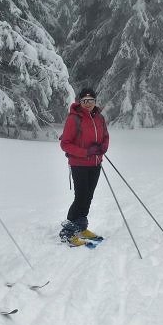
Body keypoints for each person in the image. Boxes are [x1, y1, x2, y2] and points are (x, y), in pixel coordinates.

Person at [58, 87, 109, 246]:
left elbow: (106, 136)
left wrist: (102, 148)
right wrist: (86, 151)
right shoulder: (74, 119)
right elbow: (65, 144)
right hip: (79, 164)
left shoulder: (99, 118)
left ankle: (81, 226)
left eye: (91, 101)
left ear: (95, 102)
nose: (88, 104)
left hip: (95, 163)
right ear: (80, 102)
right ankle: (68, 231)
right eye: (85, 101)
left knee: (89, 196)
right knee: (80, 197)